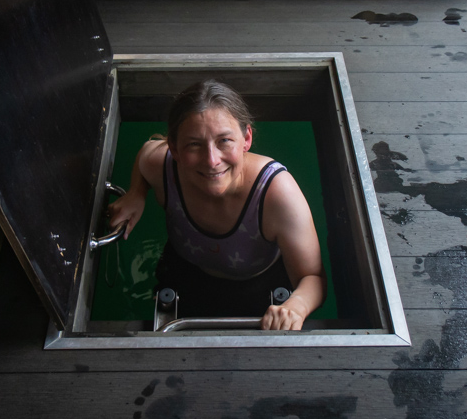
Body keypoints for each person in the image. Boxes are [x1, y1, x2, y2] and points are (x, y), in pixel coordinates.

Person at [107, 79, 326, 331]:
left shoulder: (276, 193)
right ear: (174, 149)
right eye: (194, 145)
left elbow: (312, 276)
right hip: (185, 269)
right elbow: (146, 150)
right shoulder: (163, 166)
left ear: (246, 138)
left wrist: (296, 305)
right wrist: (137, 192)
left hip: (257, 283)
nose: (211, 161)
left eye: (224, 141)